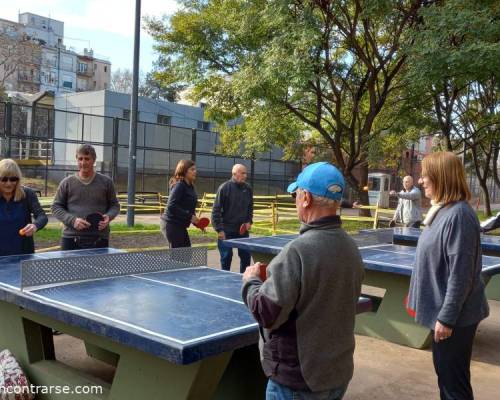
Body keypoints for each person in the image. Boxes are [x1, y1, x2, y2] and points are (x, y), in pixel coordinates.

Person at [242, 161, 364, 399]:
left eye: (296, 194)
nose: (295, 199)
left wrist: (251, 281)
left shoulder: (297, 252)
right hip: (337, 374)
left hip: (297, 380)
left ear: (306, 198)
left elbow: (267, 313)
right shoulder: (351, 248)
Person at [407, 151, 489, 400]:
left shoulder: (460, 216)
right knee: (446, 378)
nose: (421, 181)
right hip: (445, 315)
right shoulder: (442, 211)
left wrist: (447, 318)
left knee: (454, 386)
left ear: (441, 178)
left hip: (455, 319)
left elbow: (461, 275)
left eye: (425, 175)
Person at [52, 144, 120, 250]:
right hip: (71, 237)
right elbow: (56, 207)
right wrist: (72, 221)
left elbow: (114, 205)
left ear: (94, 160)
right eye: (80, 159)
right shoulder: (67, 183)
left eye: (87, 159)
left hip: (99, 237)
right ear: (77, 160)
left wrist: (109, 216)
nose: (83, 163)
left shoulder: (106, 182)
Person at [0, 159, 47, 256]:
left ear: (18, 179)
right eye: (4, 179)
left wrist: (35, 226)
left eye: (13, 179)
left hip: (23, 254)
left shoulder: (28, 194)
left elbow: (42, 216)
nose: (8, 183)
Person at [212, 164, 253, 272]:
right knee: (226, 258)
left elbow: (250, 207)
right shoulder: (224, 188)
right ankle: (225, 281)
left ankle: (244, 282)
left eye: (246, 173)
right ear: (234, 174)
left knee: (246, 257)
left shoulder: (248, 189)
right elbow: (216, 211)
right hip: (226, 231)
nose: (245, 175)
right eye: (243, 173)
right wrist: (219, 230)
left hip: (242, 231)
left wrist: (249, 221)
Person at [160, 159, 199, 248]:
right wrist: (190, 217)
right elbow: (171, 206)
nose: (195, 172)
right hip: (170, 223)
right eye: (192, 169)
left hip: (180, 225)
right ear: (184, 171)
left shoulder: (191, 186)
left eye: (195, 169)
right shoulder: (179, 185)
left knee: (186, 254)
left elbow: (190, 208)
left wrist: (197, 222)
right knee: (177, 256)